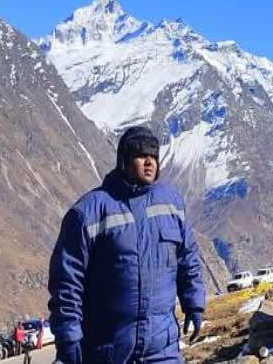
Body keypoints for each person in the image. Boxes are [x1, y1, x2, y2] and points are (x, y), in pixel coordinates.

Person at [48, 126, 206, 364]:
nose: (149, 162)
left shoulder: (172, 204)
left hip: (162, 349)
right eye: (142, 156)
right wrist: (68, 337)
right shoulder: (88, 213)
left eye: (153, 156)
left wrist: (194, 304)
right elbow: (67, 281)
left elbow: (187, 259)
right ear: (123, 160)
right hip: (107, 351)